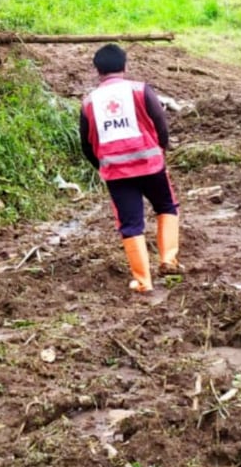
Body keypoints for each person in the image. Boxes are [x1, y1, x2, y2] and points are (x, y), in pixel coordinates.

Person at [78, 44, 182, 293]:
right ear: (125, 66)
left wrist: (102, 165)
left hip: (116, 173)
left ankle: (143, 281)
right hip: (150, 165)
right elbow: (160, 124)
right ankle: (168, 259)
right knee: (166, 206)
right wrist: (161, 149)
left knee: (130, 224)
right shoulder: (140, 90)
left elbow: (86, 142)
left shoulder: (89, 102)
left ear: (97, 71)